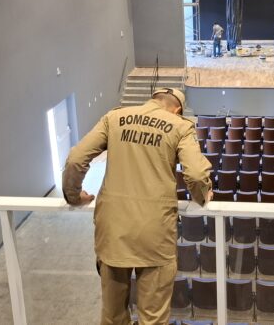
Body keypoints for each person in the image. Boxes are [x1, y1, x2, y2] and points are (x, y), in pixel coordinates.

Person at [62, 88, 213, 324]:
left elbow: (75, 158)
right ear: (178, 109)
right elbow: (194, 173)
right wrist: (203, 195)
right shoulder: (180, 126)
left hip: (112, 230)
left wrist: (74, 195)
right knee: (152, 318)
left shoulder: (114, 117)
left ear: (152, 99)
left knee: (112, 317)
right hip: (155, 232)